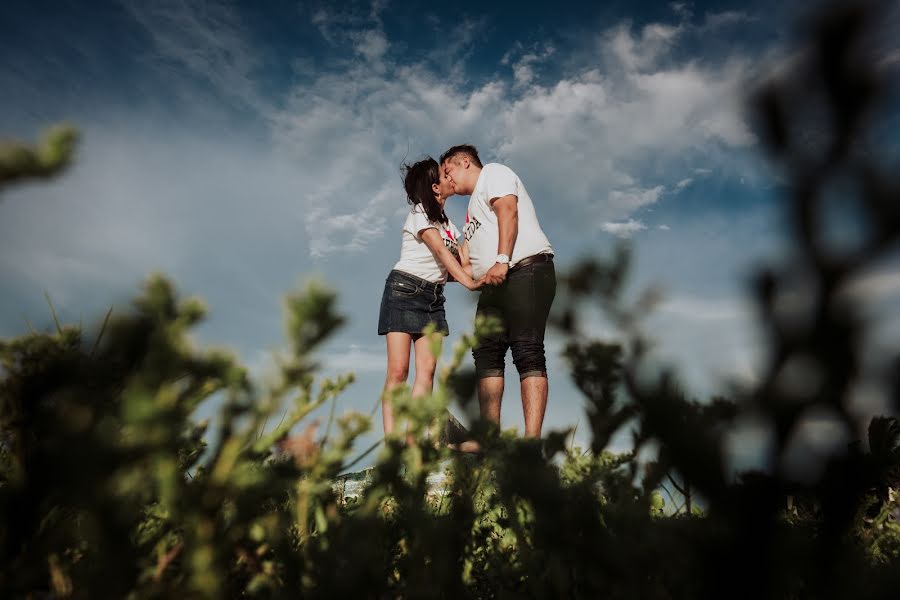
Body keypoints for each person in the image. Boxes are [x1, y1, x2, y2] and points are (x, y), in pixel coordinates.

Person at [440, 144, 556, 439]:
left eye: (448, 170)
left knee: (527, 349)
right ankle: (489, 440)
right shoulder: (470, 216)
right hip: (493, 284)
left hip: (525, 269)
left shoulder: (493, 173)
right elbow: (464, 265)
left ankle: (531, 444)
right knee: (486, 351)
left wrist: (502, 260)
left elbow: (508, 210)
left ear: (465, 162)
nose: (447, 178)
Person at [378, 157, 482, 437]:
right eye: (444, 175)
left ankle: (412, 445)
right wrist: (470, 283)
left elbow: (461, 266)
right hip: (403, 290)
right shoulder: (419, 212)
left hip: (434, 299)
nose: (450, 175)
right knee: (398, 372)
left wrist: (475, 230)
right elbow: (441, 252)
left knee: (427, 372)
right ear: (435, 188)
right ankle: (393, 446)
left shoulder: (450, 225)